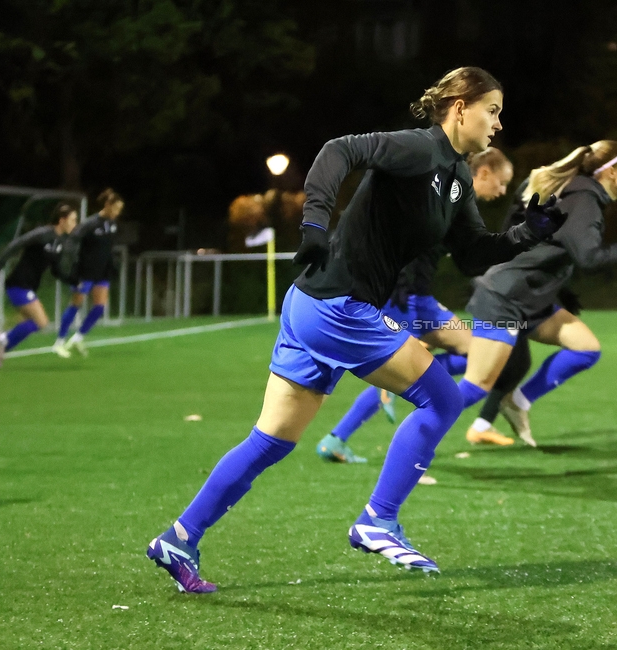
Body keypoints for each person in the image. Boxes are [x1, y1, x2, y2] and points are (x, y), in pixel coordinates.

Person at [145, 66, 566, 592]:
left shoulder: (456, 178)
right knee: (440, 397)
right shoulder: (418, 149)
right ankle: (378, 519)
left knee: (272, 440)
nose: (499, 124)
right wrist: (316, 224)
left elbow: (474, 251)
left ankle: (179, 537)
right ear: (460, 106)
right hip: (339, 305)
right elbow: (337, 151)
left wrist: (528, 233)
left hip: (313, 304)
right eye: (494, 110)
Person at [457, 141, 617, 446]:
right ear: (611, 172)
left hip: (531, 298)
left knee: (585, 348)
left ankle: (517, 402)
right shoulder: (584, 200)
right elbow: (590, 258)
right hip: (506, 298)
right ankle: (421, 425)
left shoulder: (577, 192)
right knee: (479, 382)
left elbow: (547, 241)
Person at [316, 147, 515, 463]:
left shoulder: (458, 201)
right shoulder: (445, 195)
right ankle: (345, 435)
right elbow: (405, 245)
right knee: (458, 360)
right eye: (501, 183)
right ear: (485, 173)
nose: (502, 191)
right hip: (402, 298)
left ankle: (344, 433)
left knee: (476, 354)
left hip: (418, 299)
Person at [0, 203, 78, 368]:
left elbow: (56, 271)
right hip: (18, 283)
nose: (75, 224)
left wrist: (74, 281)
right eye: (72, 220)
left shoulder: (60, 242)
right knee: (41, 322)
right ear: (62, 220)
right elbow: (16, 245)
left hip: (29, 286)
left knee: (30, 324)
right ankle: (3, 339)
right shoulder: (43, 234)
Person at [54, 188, 124, 356]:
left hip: (102, 272)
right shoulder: (90, 223)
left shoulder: (113, 224)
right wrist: (69, 263)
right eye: (116, 209)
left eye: (120, 210)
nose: (117, 212)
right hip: (85, 271)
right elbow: (72, 241)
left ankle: (78, 338)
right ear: (107, 205)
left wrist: (111, 264)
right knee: (76, 304)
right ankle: (60, 341)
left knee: (99, 307)